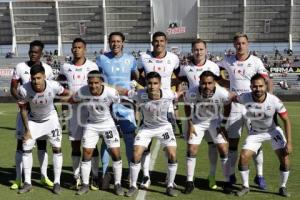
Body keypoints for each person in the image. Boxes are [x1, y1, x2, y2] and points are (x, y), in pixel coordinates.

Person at [218, 33, 272, 189]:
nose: (240, 46)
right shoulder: (228, 60)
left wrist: (267, 99)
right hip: (235, 106)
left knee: (256, 142)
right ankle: (231, 175)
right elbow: (216, 75)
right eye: (237, 43)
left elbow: (266, 80)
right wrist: (227, 85)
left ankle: (259, 176)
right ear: (234, 45)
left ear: (247, 44)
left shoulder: (255, 61)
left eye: (243, 43)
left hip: (252, 106)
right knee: (233, 143)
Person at [234, 73, 292, 197]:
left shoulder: (274, 100)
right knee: (243, 157)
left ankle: (283, 187)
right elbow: (232, 98)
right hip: (255, 133)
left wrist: (289, 142)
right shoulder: (245, 97)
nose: (258, 89)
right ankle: (245, 186)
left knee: (285, 159)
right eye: (255, 86)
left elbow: (286, 120)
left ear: (265, 86)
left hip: (273, 131)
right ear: (250, 87)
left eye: (260, 86)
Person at [124, 72, 179, 197]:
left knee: (172, 154)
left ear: (160, 84)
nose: (152, 86)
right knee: (137, 153)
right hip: (147, 128)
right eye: (149, 83)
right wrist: (106, 85)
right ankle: (133, 185)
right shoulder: (140, 94)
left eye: (155, 83)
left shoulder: (168, 94)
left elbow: (180, 95)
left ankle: (169, 185)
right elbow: (124, 92)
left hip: (164, 128)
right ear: (146, 84)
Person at [16, 65, 70, 194]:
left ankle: (57, 182)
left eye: (39, 78)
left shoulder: (54, 85)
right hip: (33, 120)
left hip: (51, 119)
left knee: (57, 148)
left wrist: (66, 109)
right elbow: (23, 110)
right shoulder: (24, 89)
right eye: (33, 78)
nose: (36, 81)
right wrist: (27, 130)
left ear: (44, 76)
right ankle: (27, 182)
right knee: (26, 147)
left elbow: (66, 93)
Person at [96, 32, 139, 189]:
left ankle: (128, 174)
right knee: (107, 141)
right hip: (107, 104)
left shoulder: (131, 59)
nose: (115, 44)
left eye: (118, 41)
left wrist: (132, 88)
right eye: (112, 41)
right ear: (109, 43)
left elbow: (136, 75)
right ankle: (105, 173)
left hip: (126, 105)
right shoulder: (101, 59)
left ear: (123, 43)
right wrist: (114, 88)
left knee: (129, 140)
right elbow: (98, 80)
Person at [137, 31, 180, 189]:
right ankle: (146, 176)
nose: (159, 44)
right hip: (148, 106)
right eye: (156, 41)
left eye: (162, 41)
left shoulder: (173, 58)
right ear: (152, 42)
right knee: (146, 145)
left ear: (166, 42)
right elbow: (138, 74)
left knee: (168, 146)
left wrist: (170, 95)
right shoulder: (144, 57)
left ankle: (170, 178)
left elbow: (179, 75)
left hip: (166, 108)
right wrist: (146, 89)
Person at [71, 70, 124, 196]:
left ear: (102, 83)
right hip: (91, 124)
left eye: (96, 83)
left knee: (115, 153)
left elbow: (118, 101)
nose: (93, 86)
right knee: (87, 152)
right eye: (90, 83)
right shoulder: (83, 91)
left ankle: (117, 184)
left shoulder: (110, 92)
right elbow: (73, 99)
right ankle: (84, 184)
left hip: (107, 124)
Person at [10, 40, 54, 190]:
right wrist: (21, 102)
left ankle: (44, 177)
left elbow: (50, 90)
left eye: (36, 52)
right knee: (21, 145)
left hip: (41, 115)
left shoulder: (47, 69)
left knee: (42, 145)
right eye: (30, 51)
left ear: (41, 54)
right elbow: (13, 88)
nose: (32, 54)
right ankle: (18, 179)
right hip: (25, 114)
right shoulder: (20, 67)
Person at [178, 38, 221, 189]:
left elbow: (219, 90)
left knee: (214, 146)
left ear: (206, 50)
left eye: (201, 49)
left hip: (213, 116)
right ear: (192, 51)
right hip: (195, 116)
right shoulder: (185, 68)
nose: (198, 52)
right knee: (191, 149)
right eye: (196, 49)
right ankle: (190, 181)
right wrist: (178, 92)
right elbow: (177, 81)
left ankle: (212, 176)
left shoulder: (214, 67)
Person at [58, 38, 99, 190]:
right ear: (71, 49)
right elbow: (60, 90)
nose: (76, 50)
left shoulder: (92, 66)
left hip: (90, 111)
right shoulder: (65, 67)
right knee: (75, 144)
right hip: (73, 112)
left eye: (79, 47)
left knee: (92, 145)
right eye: (74, 47)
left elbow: (98, 88)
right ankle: (76, 176)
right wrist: (65, 105)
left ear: (85, 49)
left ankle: (95, 175)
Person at [183, 71, 233, 194]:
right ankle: (189, 182)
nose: (207, 86)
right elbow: (187, 106)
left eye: (210, 83)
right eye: (204, 83)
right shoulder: (192, 92)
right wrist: (190, 124)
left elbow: (228, 106)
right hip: (197, 121)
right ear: (199, 83)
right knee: (192, 149)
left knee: (223, 148)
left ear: (214, 83)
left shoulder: (222, 93)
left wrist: (223, 124)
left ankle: (227, 182)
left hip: (215, 120)